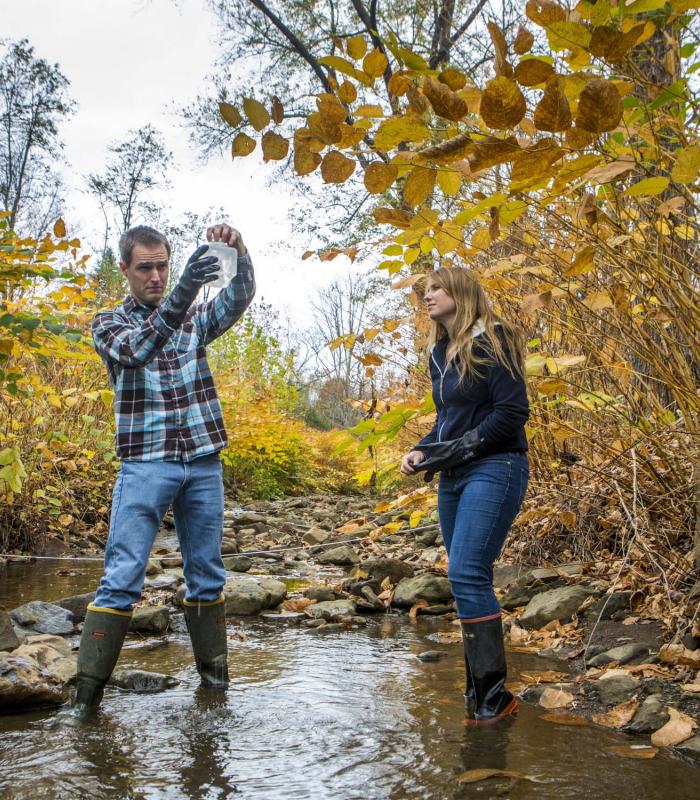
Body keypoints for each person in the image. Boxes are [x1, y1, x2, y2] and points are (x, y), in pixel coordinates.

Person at [71, 223, 255, 719]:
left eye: (163, 265)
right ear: (127, 270)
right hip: (145, 463)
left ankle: (214, 693)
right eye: (145, 267)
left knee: (207, 576)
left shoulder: (195, 320)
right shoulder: (109, 324)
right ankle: (84, 706)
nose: (155, 275)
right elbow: (141, 349)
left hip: (202, 461)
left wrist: (239, 249)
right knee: (123, 576)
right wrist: (184, 290)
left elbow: (239, 298)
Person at [400, 268, 529, 724]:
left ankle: (492, 700)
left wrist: (466, 446)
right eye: (425, 290)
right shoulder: (439, 352)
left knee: (467, 572)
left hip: (497, 466)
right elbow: (448, 420)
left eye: (436, 287)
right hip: (453, 474)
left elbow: (514, 412)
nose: (427, 295)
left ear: (462, 292)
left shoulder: (497, 338)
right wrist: (423, 448)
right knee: (462, 579)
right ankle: (480, 697)